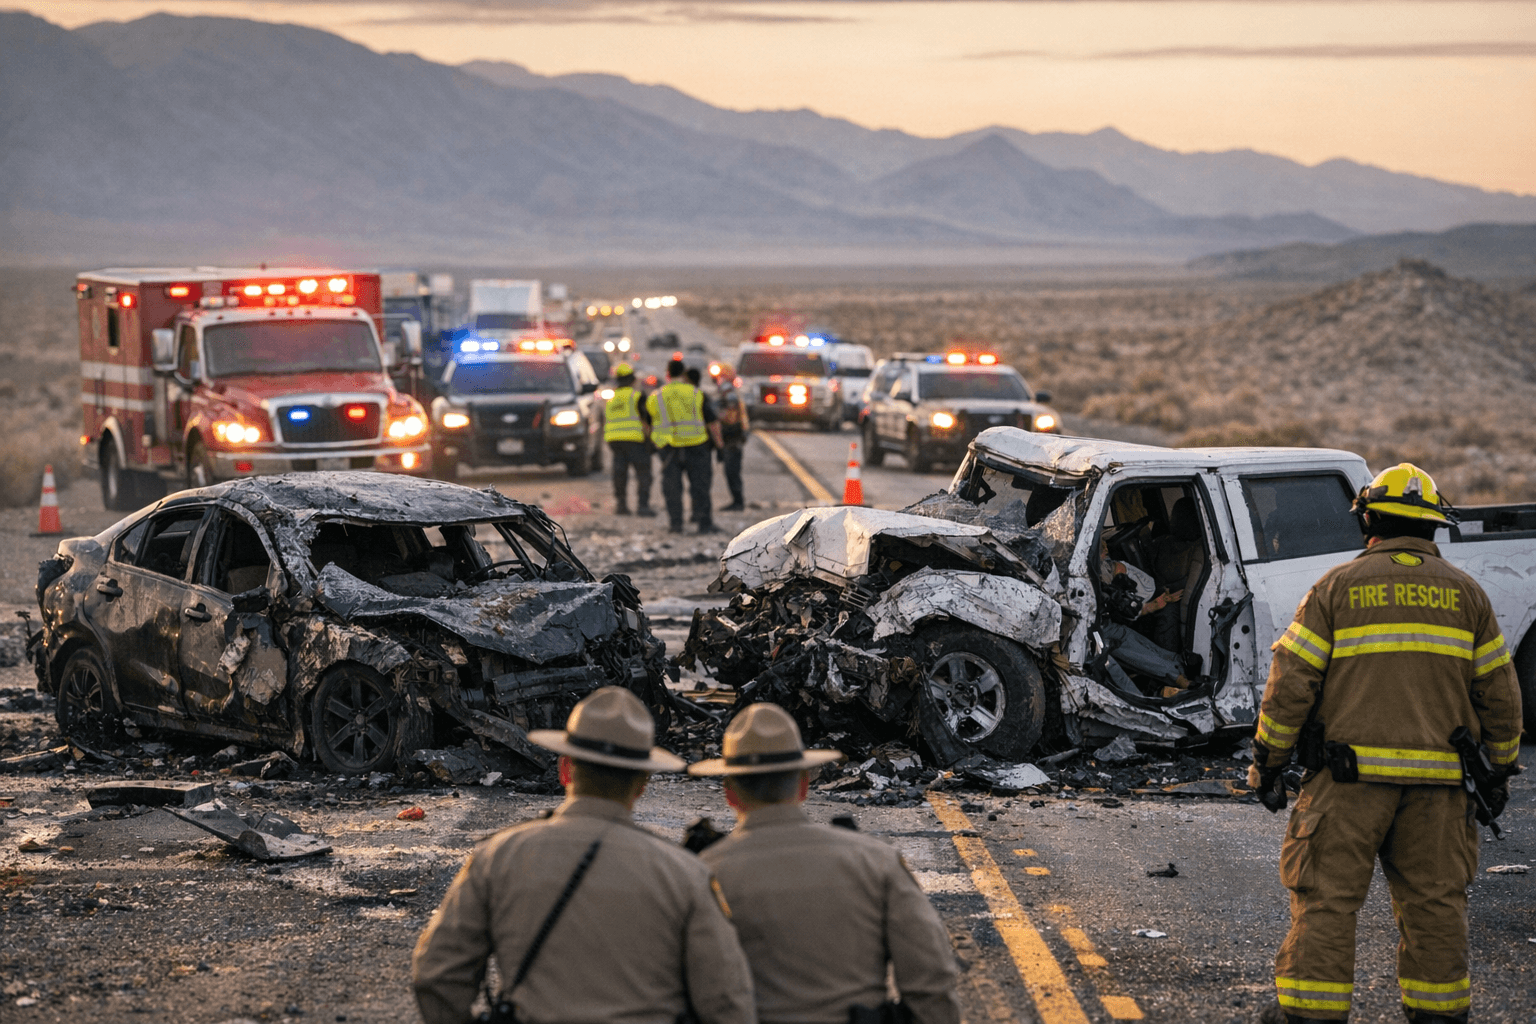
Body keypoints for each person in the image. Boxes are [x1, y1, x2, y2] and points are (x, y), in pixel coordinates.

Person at [1251, 464, 1522, 1024]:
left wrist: (1269, 764)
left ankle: (1311, 1016)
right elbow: (1501, 698)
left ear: (1367, 520)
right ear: (1433, 528)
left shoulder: (1336, 589)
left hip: (1346, 787)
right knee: (1436, 908)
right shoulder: (1469, 596)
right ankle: (1438, 1016)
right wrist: (1497, 772)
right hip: (1441, 793)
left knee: (1325, 902)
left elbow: (1291, 683)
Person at [412, 687, 755, 1024]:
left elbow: (436, 977)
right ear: (643, 783)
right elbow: (726, 1003)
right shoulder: (685, 874)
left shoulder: (498, 857)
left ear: (565, 769)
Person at [690, 703, 962, 1024]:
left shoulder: (701, 875)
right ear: (803, 784)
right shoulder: (875, 862)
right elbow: (933, 985)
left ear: (729, 793)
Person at [1097, 540, 1190, 697]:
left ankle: (1177, 667)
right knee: (1113, 655)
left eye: (1105, 544)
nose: (1106, 548)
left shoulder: (1101, 563)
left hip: (1105, 623)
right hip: (1094, 631)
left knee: (1126, 637)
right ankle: (1172, 680)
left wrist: (1120, 576)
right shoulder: (1084, 570)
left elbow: (1116, 566)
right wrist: (1151, 606)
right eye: (1101, 546)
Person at [649, 358, 723, 535]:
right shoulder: (696, 393)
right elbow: (712, 422)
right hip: (696, 445)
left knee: (672, 488)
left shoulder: (655, 396)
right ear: (683, 374)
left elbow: (650, 423)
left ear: (667, 375)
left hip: (668, 449)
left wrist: (653, 444)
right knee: (700, 486)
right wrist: (720, 446)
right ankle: (704, 523)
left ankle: (676, 525)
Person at [603, 363, 655, 517]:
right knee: (643, 473)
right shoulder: (637, 396)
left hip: (615, 441)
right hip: (635, 440)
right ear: (632, 379)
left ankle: (621, 505)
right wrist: (651, 439)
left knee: (620, 473)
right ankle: (643, 506)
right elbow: (646, 420)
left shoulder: (612, 397)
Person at [713, 363, 749, 512]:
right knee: (731, 470)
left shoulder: (727, 389)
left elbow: (730, 413)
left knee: (731, 471)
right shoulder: (730, 389)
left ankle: (738, 501)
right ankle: (737, 501)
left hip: (732, 437)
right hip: (735, 436)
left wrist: (718, 417)